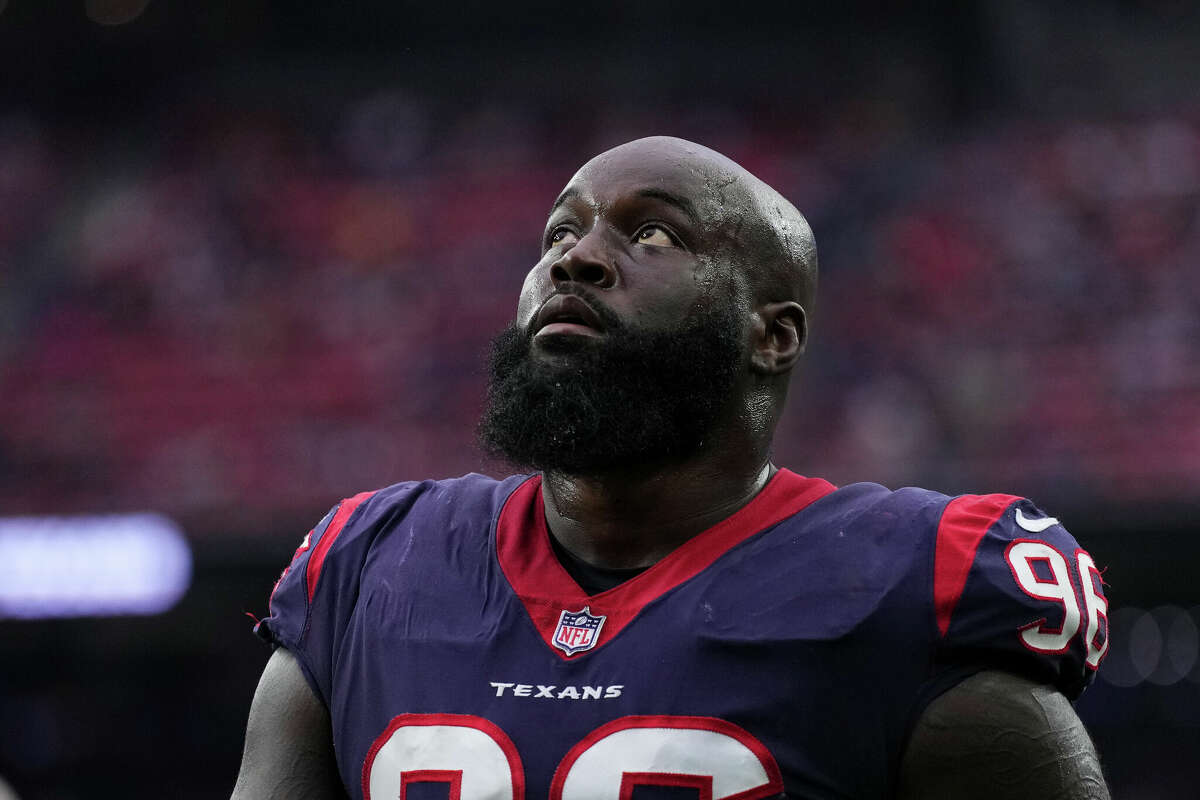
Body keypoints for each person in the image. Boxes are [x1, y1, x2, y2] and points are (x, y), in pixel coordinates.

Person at [231, 136, 1110, 799]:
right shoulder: (371, 562)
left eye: (651, 234)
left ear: (773, 334)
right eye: (560, 231)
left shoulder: (907, 588)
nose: (573, 257)